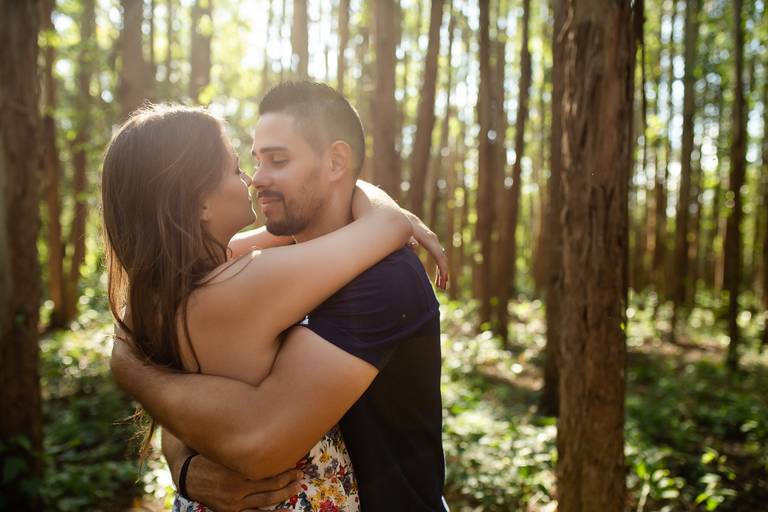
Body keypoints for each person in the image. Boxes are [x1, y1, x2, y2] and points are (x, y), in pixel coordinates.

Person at [110, 82, 449, 511]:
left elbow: (206, 408)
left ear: (336, 161)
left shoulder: (382, 279)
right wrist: (185, 469)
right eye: (245, 164)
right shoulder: (247, 276)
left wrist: (128, 363)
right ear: (199, 203)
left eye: (278, 160)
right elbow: (198, 408)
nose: (255, 180)